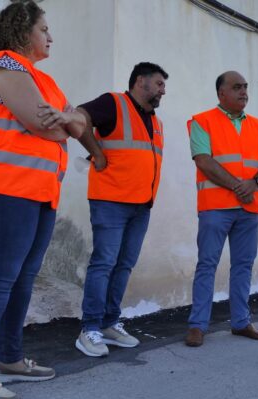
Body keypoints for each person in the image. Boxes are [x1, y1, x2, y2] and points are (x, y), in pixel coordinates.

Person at [0, 2, 86, 399]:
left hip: (37, 192)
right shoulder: (0, 63)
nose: (51, 36)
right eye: (44, 28)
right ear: (22, 29)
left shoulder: (44, 81)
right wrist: (62, 124)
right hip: (2, 186)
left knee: (22, 278)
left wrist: (66, 122)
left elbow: (76, 122)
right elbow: (41, 122)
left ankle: (9, 358)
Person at [73, 62, 168, 357]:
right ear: (141, 82)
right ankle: (89, 328)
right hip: (111, 201)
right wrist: (97, 153)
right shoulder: (113, 103)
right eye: (159, 84)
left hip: (141, 206)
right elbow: (78, 117)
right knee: (104, 263)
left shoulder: (154, 120)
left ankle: (109, 323)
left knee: (123, 265)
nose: (163, 91)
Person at [184, 71, 258, 347]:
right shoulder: (202, 121)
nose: (244, 92)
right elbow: (203, 160)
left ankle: (241, 322)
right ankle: (198, 325)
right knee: (207, 264)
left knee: (243, 266)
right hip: (217, 207)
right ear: (221, 93)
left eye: (246, 87)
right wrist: (241, 186)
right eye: (237, 87)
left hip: (250, 208)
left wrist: (256, 182)